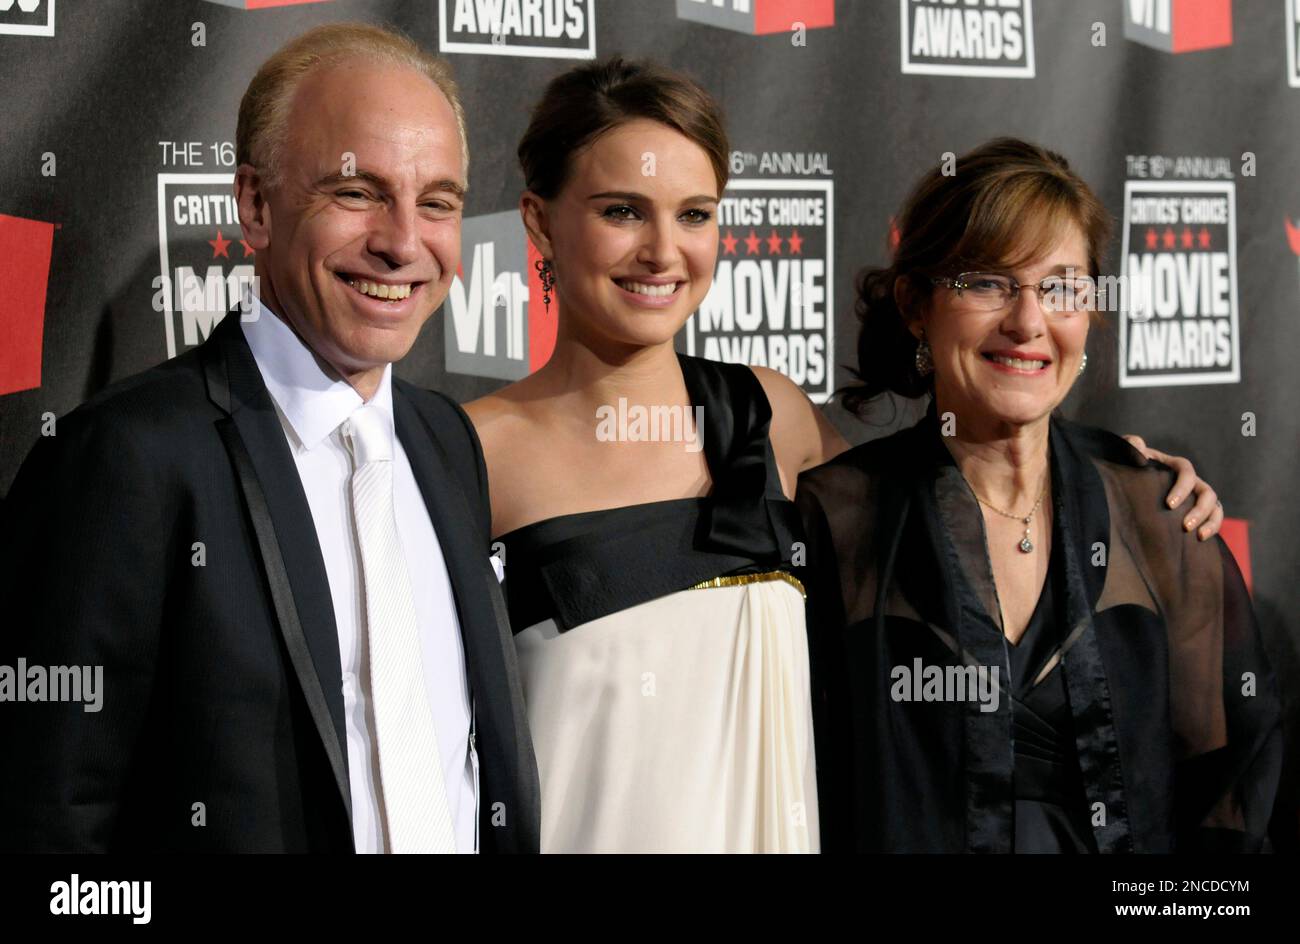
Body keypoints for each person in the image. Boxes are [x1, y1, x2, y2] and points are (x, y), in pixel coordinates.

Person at [465, 61, 1223, 852]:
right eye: (623, 211)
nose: (662, 250)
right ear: (539, 220)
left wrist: (1121, 477)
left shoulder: (773, 418)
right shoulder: (472, 453)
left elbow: (942, 495)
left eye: (693, 214)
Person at [0, 23, 539, 853]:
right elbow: (48, 822)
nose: (403, 242)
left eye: (437, 201)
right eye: (357, 193)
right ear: (256, 206)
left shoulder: (445, 444)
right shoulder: (127, 458)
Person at [796, 137, 1282, 853]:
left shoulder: (1160, 516)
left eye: (1060, 287)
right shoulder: (838, 522)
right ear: (915, 304)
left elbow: (1229, 797)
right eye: (987, 282)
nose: (1028, 323)